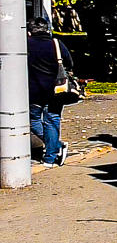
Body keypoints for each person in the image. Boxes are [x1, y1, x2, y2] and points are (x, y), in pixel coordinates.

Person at [26, 18, 70, 168]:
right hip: (56, 90)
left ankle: (57, 146)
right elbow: (69, 62)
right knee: (52, 120)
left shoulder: (25, 44)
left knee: (33, 120)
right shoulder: (56, 43)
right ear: (47, 29)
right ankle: (50, 158)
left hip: (33, 90)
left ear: (29, 31)